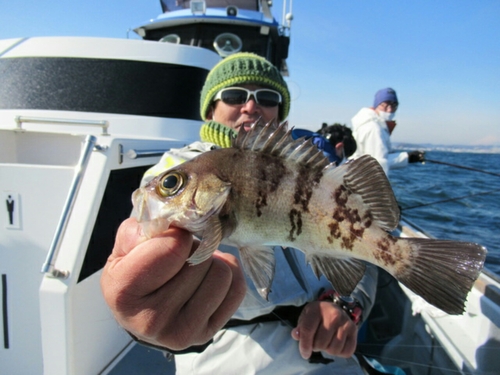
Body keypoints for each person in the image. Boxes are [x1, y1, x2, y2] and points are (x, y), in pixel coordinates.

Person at [101, 52, 378, 374]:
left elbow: (364, 242)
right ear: (209, 110)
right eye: (234, 96)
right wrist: (144, 316)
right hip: (224, 350)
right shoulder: (173, 170)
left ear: (280, 110)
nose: (250, 106)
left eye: (267, 97)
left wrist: (348, 304)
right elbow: (149, 236)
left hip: (329, 349)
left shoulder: (312, 171)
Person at [350, 87, 425, 176]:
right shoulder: (374, 128)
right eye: (385, 105)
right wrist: (407, 157)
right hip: (366, 182)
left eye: (394, 105)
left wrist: (407, 157)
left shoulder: (371, 124)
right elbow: (377, 163)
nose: (389, 110)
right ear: (376, 105)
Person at [291, 123, 357, 166]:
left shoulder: (307, 138)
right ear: (339, 146)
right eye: (343, 156)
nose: (343, 159)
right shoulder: (330, 161)